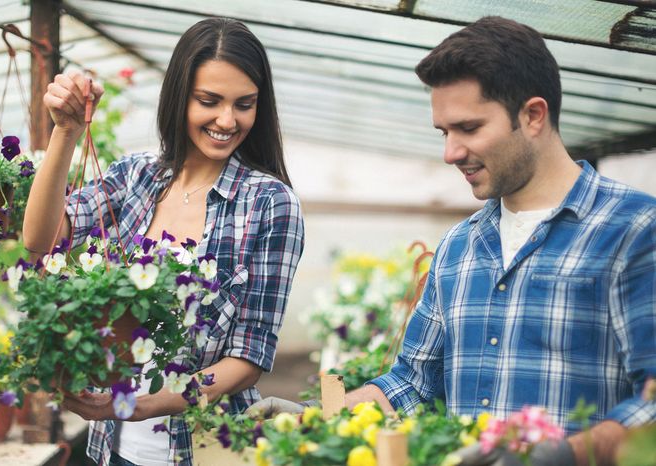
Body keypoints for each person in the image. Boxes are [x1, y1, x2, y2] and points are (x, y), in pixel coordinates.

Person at [250, 16, 655, 466]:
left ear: (533, 115)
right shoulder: (458, 248)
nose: (450, 153)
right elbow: (414, 385)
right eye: (445, 132)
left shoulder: (633, 230)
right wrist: (312, 418)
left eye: (469, 127)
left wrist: (563, 454)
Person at [22, 17, 305, 466]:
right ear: (179, 97)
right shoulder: (137, 175)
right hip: (110, 449)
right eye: (209, 101)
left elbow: (248, 357)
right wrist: (65, 133)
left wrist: (148, 404)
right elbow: (39, 238)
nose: (227, 120)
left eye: (244, 104)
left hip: (206, 451)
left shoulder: (270, 204)